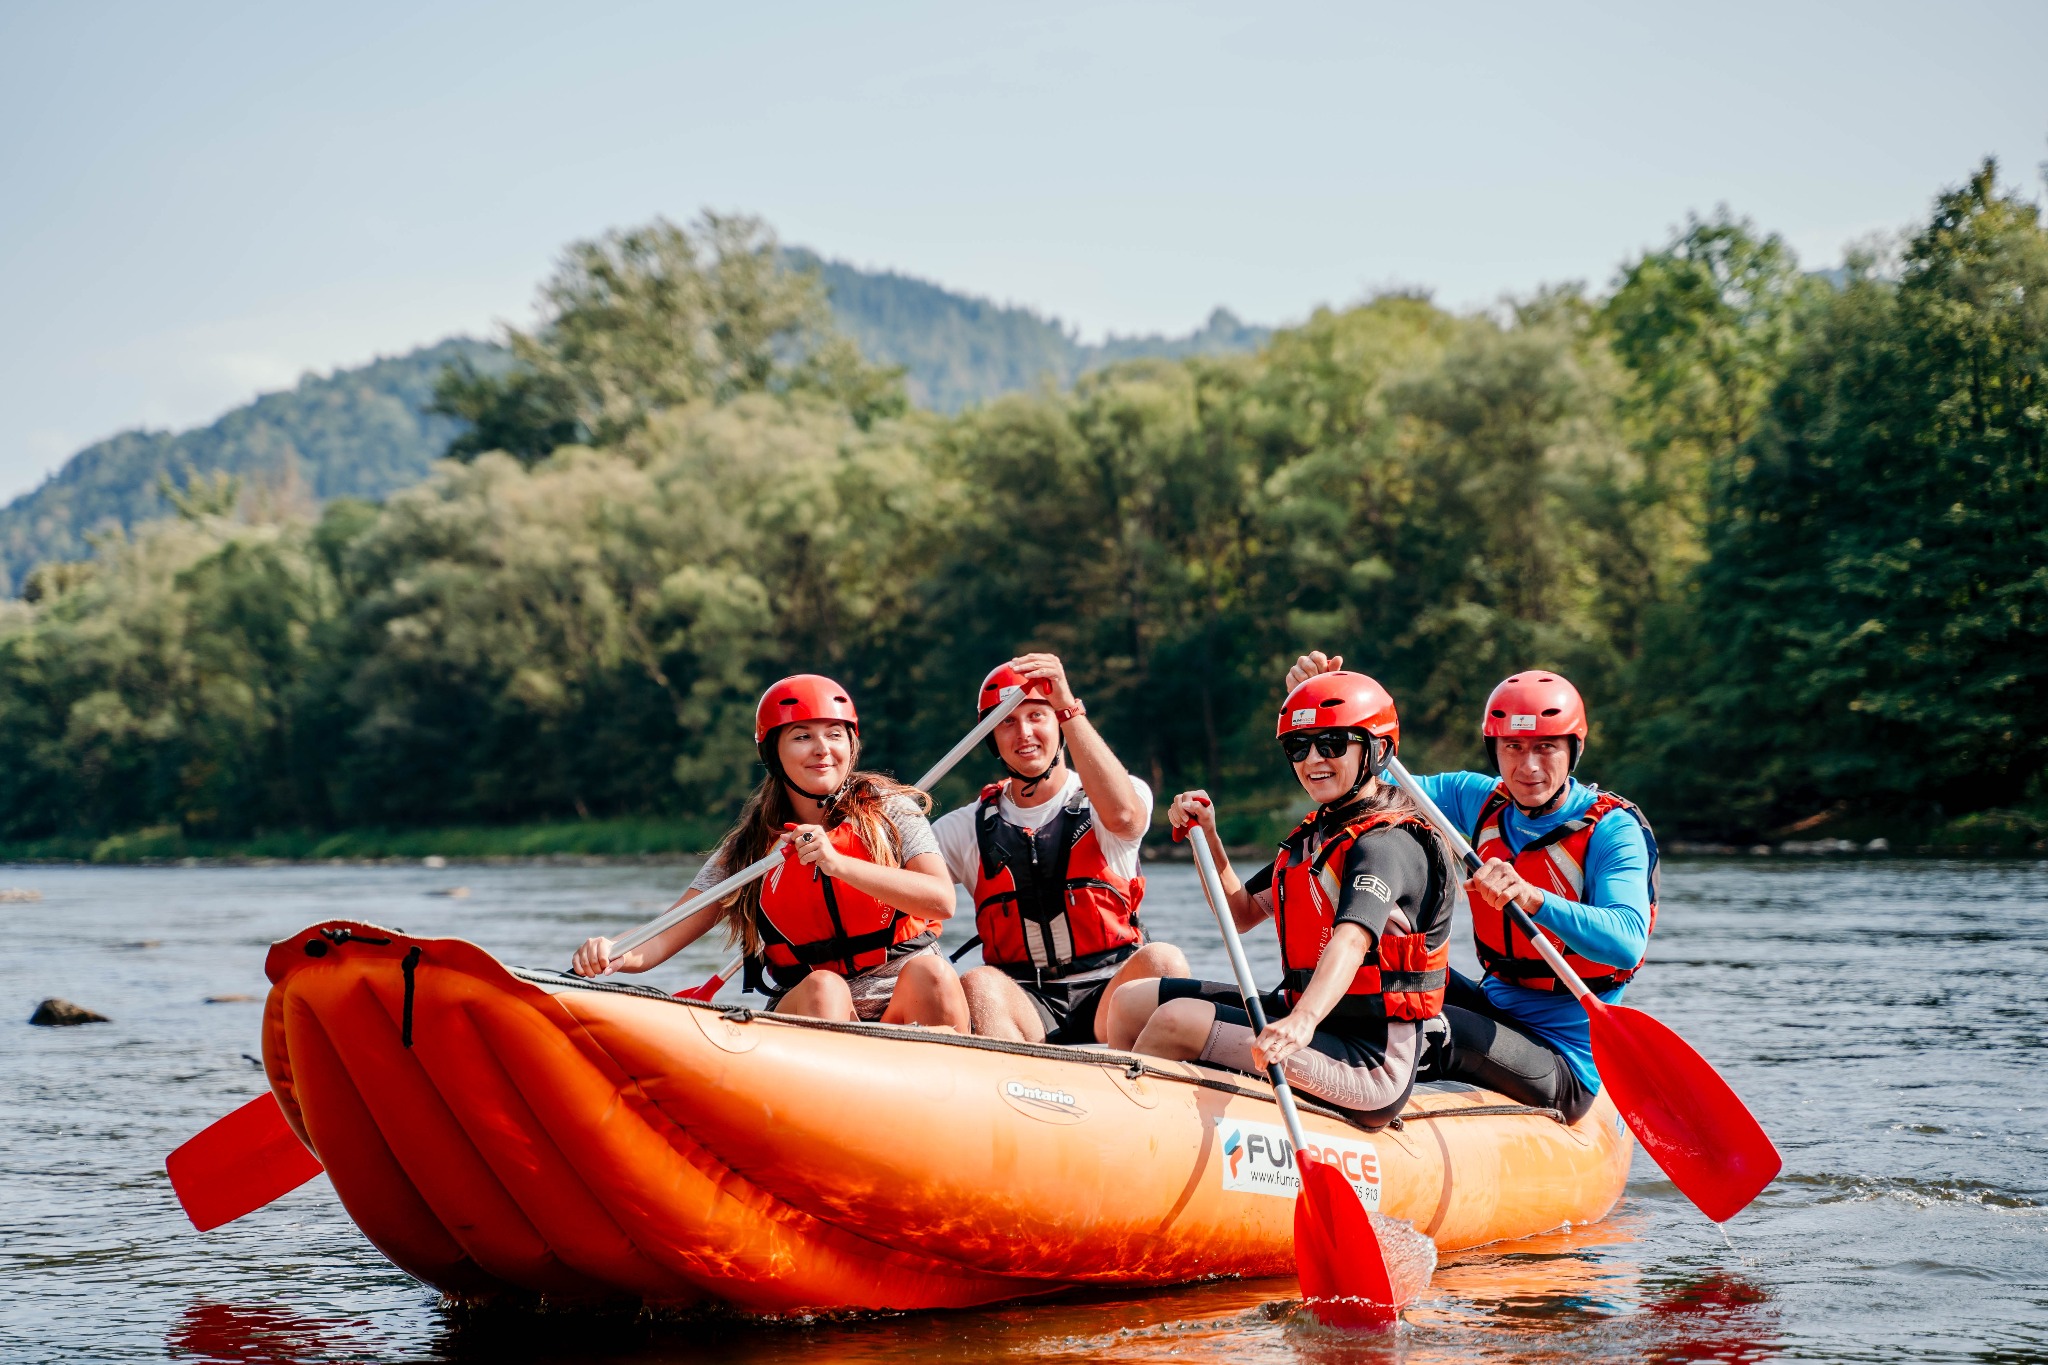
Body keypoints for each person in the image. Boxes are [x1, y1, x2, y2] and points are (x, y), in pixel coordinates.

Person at [1282, 652, 1657, 1124]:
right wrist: (1328, 715)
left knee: (1431, 1027)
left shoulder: (1611, 830)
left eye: (1546, 748)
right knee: (1380, 981)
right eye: (1513, 748)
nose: (1528, 766)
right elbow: (1365, 775)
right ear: (1493, 749)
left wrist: (1532, 897)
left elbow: (1626, 942)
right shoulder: (1478, 800)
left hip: (1566, 1053)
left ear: (1573, 749)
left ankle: (1337, 1093)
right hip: (1495, 1004)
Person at [1106, 671, 1454, 1129]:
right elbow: (1242, 913)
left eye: (1331, 743)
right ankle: (1133, 1118)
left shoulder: (1387, 844)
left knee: (1177, 1021)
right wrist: (1206, 837)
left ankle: (1133, 1137)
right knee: (1130, 1001)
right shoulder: (1317, 837)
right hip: (1304, 1024)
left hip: (1369, 1062)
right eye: (1298, 747)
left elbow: (1350, 941)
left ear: (1379, 750)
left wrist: (1302, 1021)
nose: (1313, 759)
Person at [571, 673, 969, 1028]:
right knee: (824, 988)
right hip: (812, 1003)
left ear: (851, 743)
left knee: (932, 973)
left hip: (905, 1001)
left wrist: (838, 864)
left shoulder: (891, 811)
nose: (821, 749)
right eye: (802, 736)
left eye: (834, 734)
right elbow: (664, 934)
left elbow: (940, 901)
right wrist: (613, 951)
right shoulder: (749, 849)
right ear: (772, 753)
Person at [932, 654, 1188, 1043]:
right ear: (991, 739)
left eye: (1037, 716)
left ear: (1060, 723)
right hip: (1025, 1003)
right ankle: (1019, 1088)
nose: (1024, 734)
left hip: (1113, 995)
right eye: (1007, 721)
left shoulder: (1116, 795)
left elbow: (1124, 817)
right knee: (979, 983)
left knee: (1163, 959)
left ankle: (1143, 1086)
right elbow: (902, 884)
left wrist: (1068, 704)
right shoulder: (960, 828)